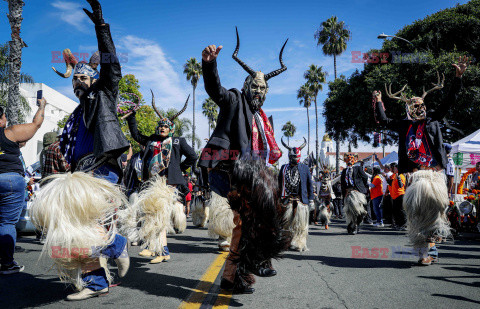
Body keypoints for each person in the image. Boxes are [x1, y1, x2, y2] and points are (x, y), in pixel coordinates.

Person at [36, 0, 130, 300]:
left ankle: (116, 245)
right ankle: (96, 282)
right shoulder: (76, 114)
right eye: (75, 78)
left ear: (93, 79)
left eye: (83, 77)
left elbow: (111, 65)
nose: (78, 81)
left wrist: (100, 26)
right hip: (82, 173)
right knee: (78, 226)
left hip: (103, 168)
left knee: (87, 224)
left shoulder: (103, 93)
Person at [199, 28, 289, 294]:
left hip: (253, 174)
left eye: (263, 88)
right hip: (232, 170)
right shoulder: (235, 100)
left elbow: (265, 153)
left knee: (247, 222)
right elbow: (215, 90)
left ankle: (232, 277)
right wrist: (209, 64)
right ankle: (258, 259)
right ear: (247, 86)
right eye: (255, 86)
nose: (258, 91)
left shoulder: (262, 118)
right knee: (259, 215)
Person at [373, 56, 468, 265]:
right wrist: (379, 101)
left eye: (421, 105)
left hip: (433, 174)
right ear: (408, 108)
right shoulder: (404, 126)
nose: (418, 108)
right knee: (416, 213)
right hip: (414, 176)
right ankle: (424, 252)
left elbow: (449, 101)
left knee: (438, 207)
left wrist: (457, 78)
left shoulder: (433, 120)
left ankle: (432, 245)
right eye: (414, 105)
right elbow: (384, 120)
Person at [123, 94, 197, 263]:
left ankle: (152, 247)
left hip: (168, 184)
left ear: (171, 128)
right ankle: (163, 251)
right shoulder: (152, 140)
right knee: (155, 215)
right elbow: (136, 135)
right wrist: (132, 117)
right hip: (152, 182)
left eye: (166, 126)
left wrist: (179, 169)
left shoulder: (178, 141)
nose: (163, 127)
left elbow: (193, 156)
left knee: (157, 214)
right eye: (161, 126)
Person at [0, 98, 46, 275]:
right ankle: (7, 263)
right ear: (2, 119)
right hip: (10, 179)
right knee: (6, 222)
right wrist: (42, 106)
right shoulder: (10, 132)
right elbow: (36, 124)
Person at [279, 138, 314, 251]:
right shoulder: (284, 168)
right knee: (286, 224)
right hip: (287, 200)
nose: (296, 159)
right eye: (294, 157)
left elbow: (310, 184)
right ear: (290, 157)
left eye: (297, 157)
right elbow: (279, 184)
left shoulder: (304, 168)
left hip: (301, 201)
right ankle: (287, 242)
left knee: (301, 225)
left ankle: (299, 243)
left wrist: (311, 199)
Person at [341, 153, 369, 235]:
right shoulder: (344, 171)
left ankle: (356, 224)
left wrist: (361, 188)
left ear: (354, 160)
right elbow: (343, 182)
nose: (349, 162)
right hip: (348, 193)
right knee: (349, 212)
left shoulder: (358, 168)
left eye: (351, 159)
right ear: (345, 161)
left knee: (359, 211)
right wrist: (345, 191)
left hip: (357, 192)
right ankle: (351, 226)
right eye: (348, 160)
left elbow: (365, 177)